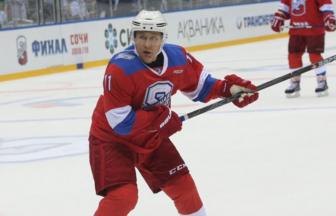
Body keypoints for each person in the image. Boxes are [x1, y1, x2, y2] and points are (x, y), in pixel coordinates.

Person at [89, 10, 259, 216]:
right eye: (142, 37)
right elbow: (121, 123)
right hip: (112, 140)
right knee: (124, 196)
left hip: (151, 135)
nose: (147, 44)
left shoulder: (178, 59)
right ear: (133, 38)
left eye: (153, 38)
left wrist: (229, 90)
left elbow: (201, 85)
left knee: (184, 188)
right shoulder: (121, 69)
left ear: (163, 39)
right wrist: (160, 121)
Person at [271, 0, 336, 97]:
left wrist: (329, 17)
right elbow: (284, 8)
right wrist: (279, 17)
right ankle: (295, 81)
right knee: (293, 56)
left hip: (315, 31)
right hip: (296, 31)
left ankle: (322, 80)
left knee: (314, 56)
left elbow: (326, 6)